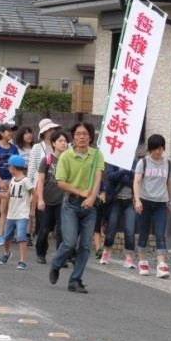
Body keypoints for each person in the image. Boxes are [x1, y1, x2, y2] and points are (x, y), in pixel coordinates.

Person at [49, 122, 104, 294]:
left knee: (86, 246)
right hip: (71, 204)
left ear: (90, 136)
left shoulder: (96, 155)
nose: (82, 137)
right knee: (69, 242)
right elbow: (61, 183)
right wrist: (80, 192)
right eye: (78, 134)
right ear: (73, 137)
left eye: (85, 134)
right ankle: (56, 263)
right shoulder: (66, 156)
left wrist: (92, 197)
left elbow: (98, 178)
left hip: (90, 207)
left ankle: (75, 280)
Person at [133, 134, 171, 278]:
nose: (158, 151)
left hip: (161, 203)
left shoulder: (167, 163)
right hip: (144, 201)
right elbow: (137, 182)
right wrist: (137, 200)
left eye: (160, 148)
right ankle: (143, 262)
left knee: (160, 234)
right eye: (155, 148)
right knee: (143, 234)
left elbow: (169, 183)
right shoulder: (143, 162)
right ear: (150, 149)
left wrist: (170, 201)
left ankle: (161, 265)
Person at [35, 130, 68, 264]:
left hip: (63, 201)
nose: (64, 143)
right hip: (47, 201)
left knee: (61, 230)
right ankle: (41, 253)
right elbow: (40, 181)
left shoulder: (68, 160)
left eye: (65, 141)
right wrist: (40, 199)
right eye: (60, 141)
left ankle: (60, 258)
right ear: (53, 143)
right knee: (44, 230)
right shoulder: (47, 159)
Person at [0, 155, 34, 270]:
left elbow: (35, 194)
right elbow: (10, 193)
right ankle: (6, 253)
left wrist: (32, 210)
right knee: (7, 236)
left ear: (12, 167)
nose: (8, 169)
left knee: (21, 236)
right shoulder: (13, 180)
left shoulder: (25, 181)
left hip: (22, 214)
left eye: (8, 167)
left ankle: (23, 260)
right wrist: (3, 195)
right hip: (11, 214)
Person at [101, 162, 137, 268]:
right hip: (116, 201)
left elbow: (137, 181)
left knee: (130, 231)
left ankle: (129, 257)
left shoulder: (134, 163)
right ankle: (107, 251)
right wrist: (125, 173)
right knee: (111, 230)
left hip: (130, 202)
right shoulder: (114, 161)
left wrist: (122, 178)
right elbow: (110, 176)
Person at [15, 125, 35, 246]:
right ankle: (17, 232)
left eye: (30, 133)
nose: (29, 135)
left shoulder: (36, 148)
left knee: (30, 208)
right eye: (26, 133)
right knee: (18, 206)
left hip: (32, 180)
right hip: (20, 180)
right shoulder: (17, 149)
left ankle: (27, 234)